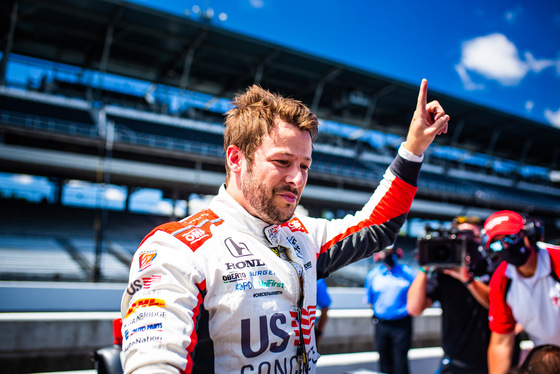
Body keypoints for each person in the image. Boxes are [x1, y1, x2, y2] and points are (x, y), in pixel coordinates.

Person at [121, 80, 449, 374]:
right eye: (283, 162)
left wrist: (413, 149)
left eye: (304, 165)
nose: (297, 179)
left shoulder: (301, 235)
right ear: (236, 159)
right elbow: (154, 363)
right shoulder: (176, 248)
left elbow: (378, 225)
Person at [407, 216, 495, 374]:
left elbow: (496, 304)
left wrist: (467, 279)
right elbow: (414, 308)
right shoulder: (444, 273)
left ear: (480, 239)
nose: (467, 242)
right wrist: (424, 268)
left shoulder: (490, 267)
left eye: (471, 236)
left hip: (490, 361)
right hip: (455, 361)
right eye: (461, 237)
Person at [484, 210, 560, 374]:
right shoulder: (501, 281)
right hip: (546, 358)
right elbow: (501, 342)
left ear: (531, 234)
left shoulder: (557, 260)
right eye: (498, 244)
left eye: (511, 238)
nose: (506, 247)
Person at [364, 246, 416, 374]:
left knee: (400, 363)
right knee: (384, 363)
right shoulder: (373, 275)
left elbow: (417, 295)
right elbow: (369, 300)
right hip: (381, 325)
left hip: (402, 324)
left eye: (390, 253)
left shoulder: (408, 273)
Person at [315, 278, 331, 347]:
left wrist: (319, 333)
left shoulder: (316, 278)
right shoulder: (315, 277)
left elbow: (325, 307)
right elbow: (325, 307)